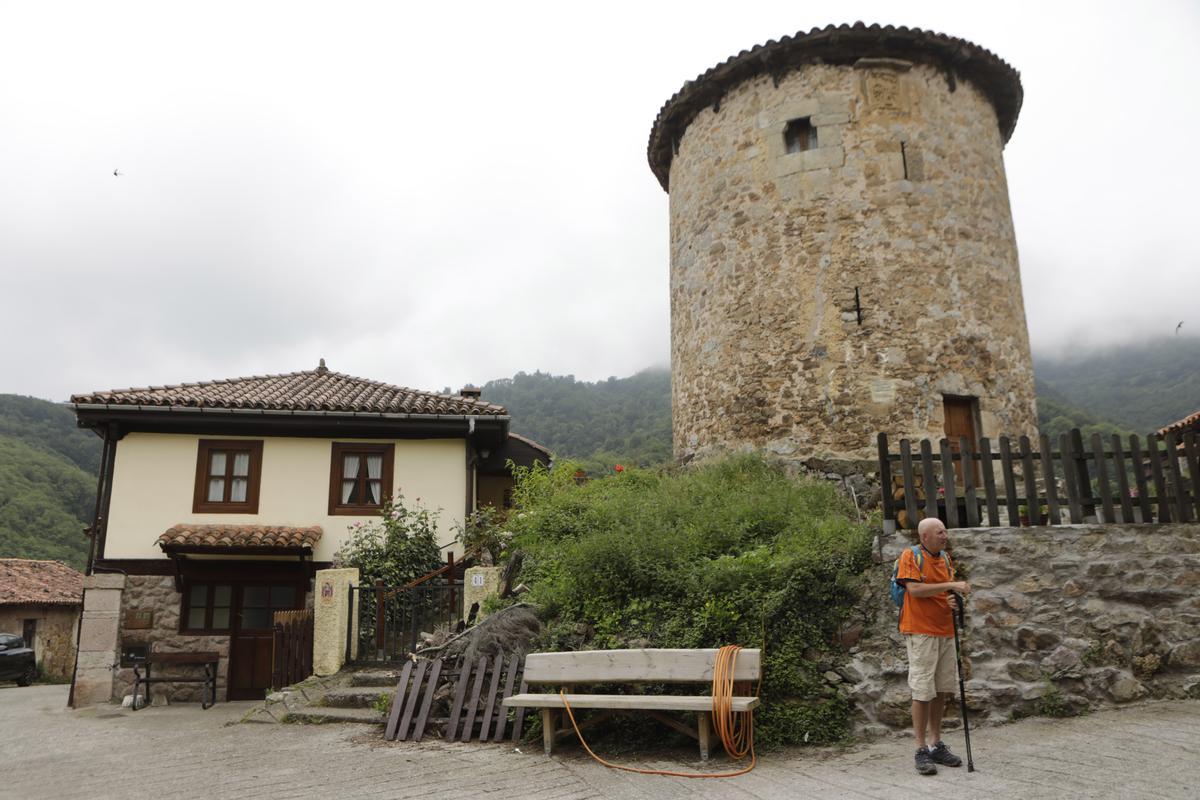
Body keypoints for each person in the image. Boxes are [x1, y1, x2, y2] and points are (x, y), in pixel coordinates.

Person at [896, 517, 971, 776]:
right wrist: (951, 585)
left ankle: (935, 743)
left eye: (945, 530)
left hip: (945, 630)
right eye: (939, 532)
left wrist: (952, 599)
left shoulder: (946, 559)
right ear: (925, 536)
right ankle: (920, 749)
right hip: (920, 631)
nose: (945, 535)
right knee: (922, 688)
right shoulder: (910, 556)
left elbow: (940, 593)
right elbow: (915, 589)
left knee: (941, 688)